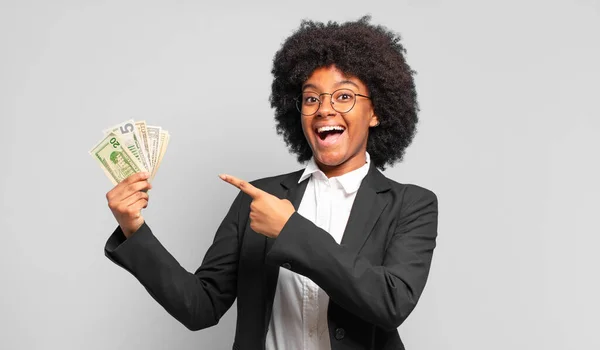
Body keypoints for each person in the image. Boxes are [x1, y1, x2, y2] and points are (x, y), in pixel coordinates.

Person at [104, 16, 438, 350]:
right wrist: (134, 230)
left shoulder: (411, 204)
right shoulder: (257, 198)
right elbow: (199, 307)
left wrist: (289, 229)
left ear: (376, 113)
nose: (324, 109)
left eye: (344, 97)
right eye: (311, 99)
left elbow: (390, 302)